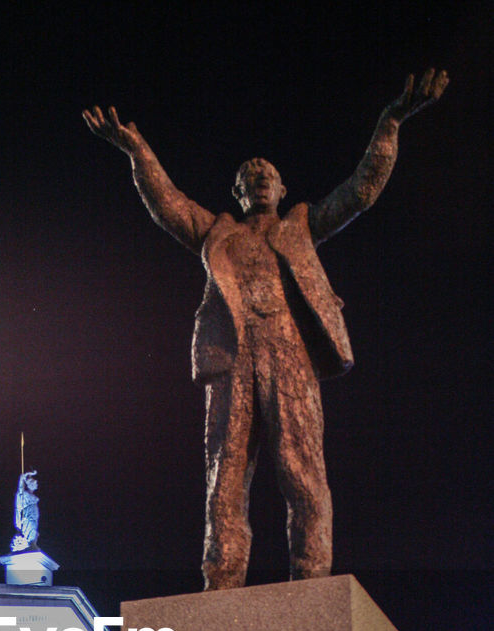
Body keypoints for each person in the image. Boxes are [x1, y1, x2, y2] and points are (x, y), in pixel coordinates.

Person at [83, 70, 448, 589]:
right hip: (232, 357)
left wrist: (391, 120)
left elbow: (362, 189)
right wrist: (136, 149)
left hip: (288, 352)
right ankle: (222, 583)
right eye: (249, 175)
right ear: (237, 190)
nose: (259, 178)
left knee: (302, 472)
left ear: (281, 189)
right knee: (225, 480)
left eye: (267, 175)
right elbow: (168, 204)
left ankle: (311, 580)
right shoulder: (218, 234)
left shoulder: (301, 227)